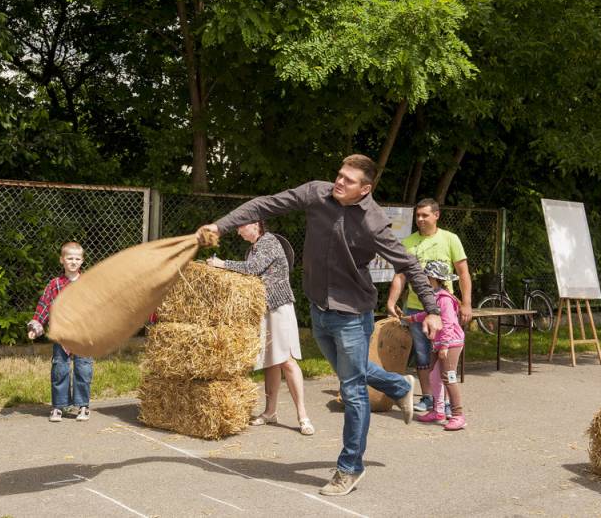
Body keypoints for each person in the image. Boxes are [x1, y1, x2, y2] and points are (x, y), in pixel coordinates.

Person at [197, 154, 443, 497]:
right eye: (339, 175)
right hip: (318, 308)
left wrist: (432, 310)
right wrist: (220, 226)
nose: (339, 182)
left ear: (365, 189)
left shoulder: (374, 223)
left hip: (352, 314)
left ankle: (350, 467)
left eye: (348, 180)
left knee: (353, 390)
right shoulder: (317, 193)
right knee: (349, 373)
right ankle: (398, 385)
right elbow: (266, 204)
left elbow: (410, 265)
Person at [207, 221, 315, 436]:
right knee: (270, 361)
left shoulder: (268, 241)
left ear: (255, 224)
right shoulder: (254, 248)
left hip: (279, 307)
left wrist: (221, 263)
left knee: (286, 361)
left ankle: (303, 417)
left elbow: (252, 269)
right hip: (264, 308)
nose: (238, 231)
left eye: (240, 226)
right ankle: (270, 412)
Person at [385, 198, 471, 416]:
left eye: (425, 215)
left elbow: (463, 273)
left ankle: (448, 403)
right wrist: (391, 302)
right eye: (418, 216)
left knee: (444, 355)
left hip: (443, 310)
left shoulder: (450, 239)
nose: (420, 219)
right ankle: (428, 398)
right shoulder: (409, 242)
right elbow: (400, 275)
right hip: (416, 307)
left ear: (436, 215)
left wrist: (466, 303)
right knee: (423, 355)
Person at [27, 242, 94, 423]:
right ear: (62, 260)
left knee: (83, 369)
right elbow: (44, 305)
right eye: (69, 258)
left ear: (82, 261)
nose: (73, 262)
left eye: (77, 259)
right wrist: (36, 326)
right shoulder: (55, 284)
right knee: (60, 369)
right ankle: (58, 406)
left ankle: (83, 406)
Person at [402, 260, 467, 430]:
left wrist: (444, 345)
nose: (423, 280)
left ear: (433, 279)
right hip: (438, 343)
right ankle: (438, 411)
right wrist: (413, 318)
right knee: (434, 376)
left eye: (426, 277)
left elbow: (448, 323)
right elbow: (430, 314)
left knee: (448, 377)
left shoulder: (444, 299)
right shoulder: (435, 297)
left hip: (450, 343)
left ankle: (458, 415)